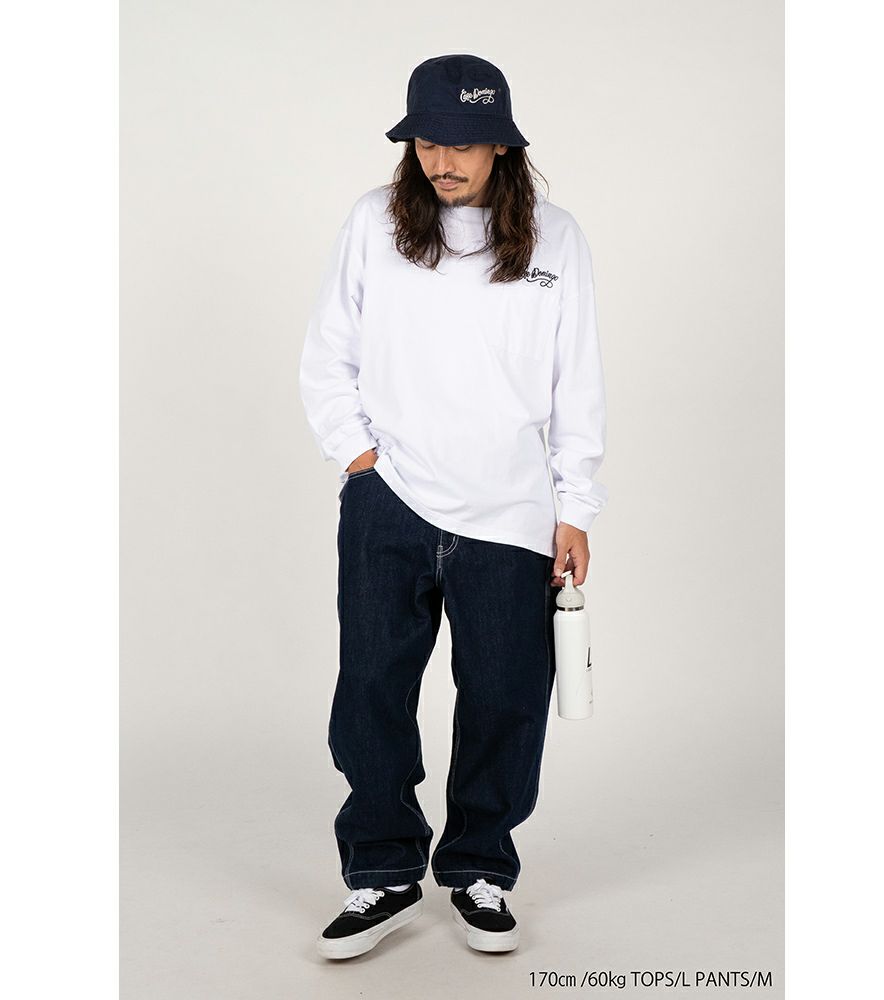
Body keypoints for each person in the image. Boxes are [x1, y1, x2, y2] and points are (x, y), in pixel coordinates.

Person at [299, 53, 608, 959]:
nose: (443, 161)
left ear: (501, 146)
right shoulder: (374, 222)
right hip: (390, 502)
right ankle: (383, 869)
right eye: (427, 142)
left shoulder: (557, 240)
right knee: (370, 694)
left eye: (462, 144)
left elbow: (578, 382)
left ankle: (479, 866)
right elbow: (328, 354)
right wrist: (361, 461)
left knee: (507, 699)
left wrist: (575, 506)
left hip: (512, 512)